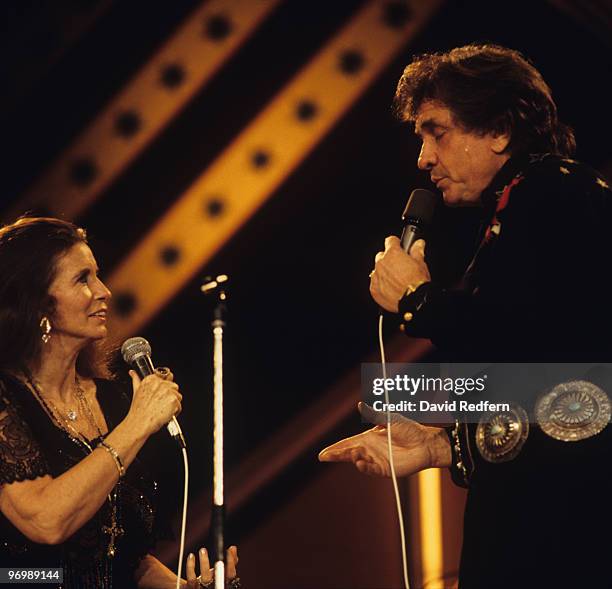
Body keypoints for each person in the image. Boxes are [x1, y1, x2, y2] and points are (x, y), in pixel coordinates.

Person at [319, 44, 612, 588]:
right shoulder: (532, 200)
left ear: (499, 130)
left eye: (437, 132)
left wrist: (419, 301)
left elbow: (565, 385)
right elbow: (557, 398)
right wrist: (440, 445)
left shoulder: (554, 195)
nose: (423, 158)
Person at [0, 217, 239, 588]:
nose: (104, 291)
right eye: (83, 279)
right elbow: (45, 522)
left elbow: (125, 558)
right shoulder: (6, 401)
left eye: (98, 275)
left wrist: (181, 588)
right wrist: (138, 423)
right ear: (37, 302)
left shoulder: (112, 397)